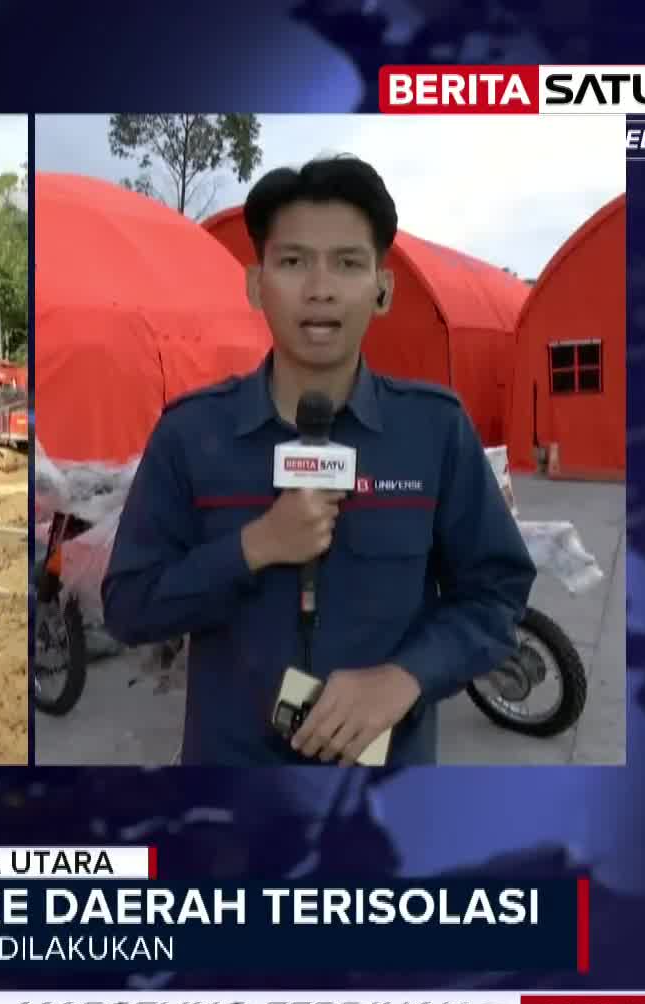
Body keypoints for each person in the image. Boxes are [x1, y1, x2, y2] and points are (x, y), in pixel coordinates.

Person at [100, 155, 536, 766]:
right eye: (293, 261)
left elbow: (495, 595)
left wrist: (404, 678)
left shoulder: (434, 429)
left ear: (382, 290)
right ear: (256, 285)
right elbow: (128, 608)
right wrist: (255, 546)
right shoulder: (191, 434)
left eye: (349, 263)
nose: (320, 287)